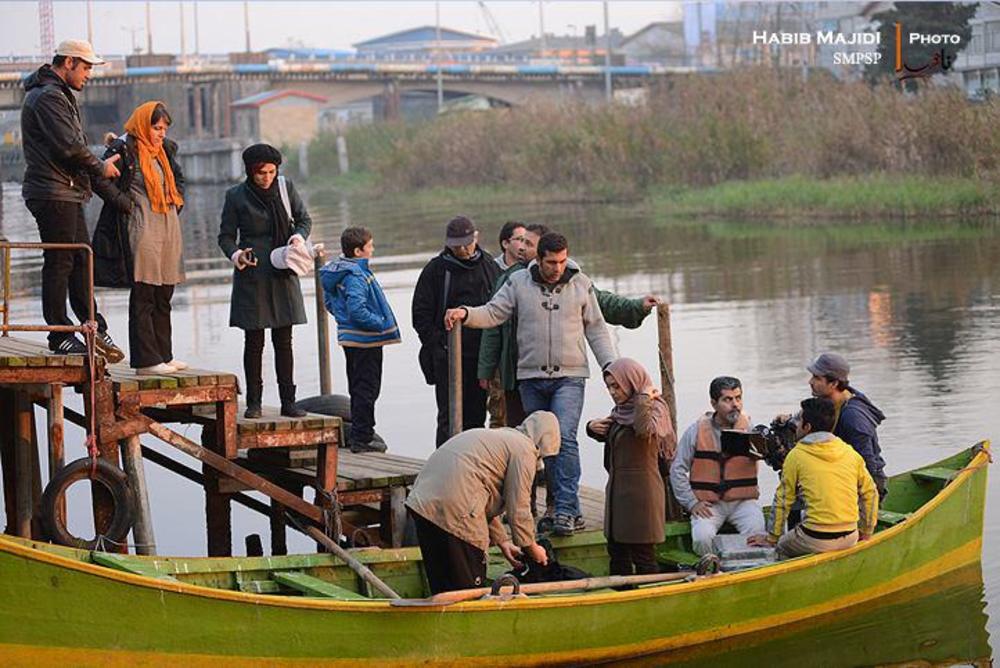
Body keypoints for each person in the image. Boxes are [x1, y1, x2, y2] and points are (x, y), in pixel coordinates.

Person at [444, 232, 618, 537]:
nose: (558, 268)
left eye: (563, 261)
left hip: (570, 376)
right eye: (551, 262)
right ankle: (543, 509)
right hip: (531, 378)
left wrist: (611, 368)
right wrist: (466, 313)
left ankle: (568, 510)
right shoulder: (518, 283)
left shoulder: (581, 284)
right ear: (539, 258)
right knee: (536, 446)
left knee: (563, 438)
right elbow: (493, 312)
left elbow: (597, 330)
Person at [20, 39, 124, 360]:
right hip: (53, 192)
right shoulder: (48, 98)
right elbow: (70, 148)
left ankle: (92, 327)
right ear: (68, 63)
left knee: (82, 260)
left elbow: (72, 148)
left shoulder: (56, 95)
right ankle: (59, 333)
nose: (90, 74)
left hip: (65, 191)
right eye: (86, 66)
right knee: (61, 261)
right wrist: (102, 168)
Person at [405, 411, 560, 594]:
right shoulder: (525, 449)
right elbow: (519, 509)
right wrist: (533, 548)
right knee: (468, 589)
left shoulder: (501, 437)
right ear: (545, 441)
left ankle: (442, 618)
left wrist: (503, 542)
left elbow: (480, 495)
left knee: (442, 586)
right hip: (456, 508)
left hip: (422, 503)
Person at [92, 101, 186, 375]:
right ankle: (146, 361)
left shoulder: (164, 150)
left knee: (164, 292)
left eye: (164, 128)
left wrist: (177, 202)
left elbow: (179, 179)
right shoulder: (124, 148)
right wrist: (125, 204)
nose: (160, 133)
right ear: (143, 125)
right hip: (141, 225)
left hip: (167, 224)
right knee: (144, 292)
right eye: (156, 128)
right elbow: (100, 179)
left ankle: (164, 355)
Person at [218, 144, 311, 419]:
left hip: (283, 266)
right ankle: (254, 403)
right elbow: (224, 236)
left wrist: (297, 238)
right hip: (253, 272)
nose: (267, 177)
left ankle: (289, 402)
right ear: (250, 171)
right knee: (254, 341)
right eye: (261, 173)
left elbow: (304, 220)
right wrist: (236, 254)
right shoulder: (235, 196)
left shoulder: (286, 188)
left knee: (284, 340)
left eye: (272, 171)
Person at [749, 397, 878, 558]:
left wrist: (772, 538)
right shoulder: (850, 452)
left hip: (815, 538)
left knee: (780, 546)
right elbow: (870, 493)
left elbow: (783, 500)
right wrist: (866, 532)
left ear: (807, 427)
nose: (795, 425)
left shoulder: (796, 455)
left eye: (799, 421)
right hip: (850, 536)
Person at [412, 216, 501, 446]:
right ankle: (445, 469)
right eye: (456, 245)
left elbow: (498, 309)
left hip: (480, 357)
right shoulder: (436, 270)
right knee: (448, 417)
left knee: (476, 417)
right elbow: (420, 315)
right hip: (448, 357)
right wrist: (439, 345)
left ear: (476, 238)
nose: (461, 249)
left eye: (466, 243)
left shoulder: (489, 266)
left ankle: (474, 469)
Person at [586, 358, 675, 577]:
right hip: (619, 494)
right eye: (609, 387)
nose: (613, 392)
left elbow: (644, 431)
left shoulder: (655, 408)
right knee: (617, 552)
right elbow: (616, 436)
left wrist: (644, 397)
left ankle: (652, 603)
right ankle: (622, 597)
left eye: (617, 386)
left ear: (632, 381)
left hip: (642, 495)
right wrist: (591, 428)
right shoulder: (621, 411)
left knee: (643, 554)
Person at [320, 227, 400, 452]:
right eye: (369, 246)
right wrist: (379, 323)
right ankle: (362, 439)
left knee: (357, 386)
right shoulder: (356, 275)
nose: (372, 249)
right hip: (366, 340)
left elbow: (330, 303)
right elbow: (357, 309)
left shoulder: (337, 271)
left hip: (350, 339)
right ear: (358, 251)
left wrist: (345, 322)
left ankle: (359, 434)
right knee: (368, 387)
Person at [669, 376, 765, 556]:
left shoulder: (750, 429)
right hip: (710, 504)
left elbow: (767, 458)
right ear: (714, 403)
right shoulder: (696, 430)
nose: (735, 404)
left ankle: (747, 571)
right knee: (702, 537)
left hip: (743, 502)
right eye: (727, 400)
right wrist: (691, 503)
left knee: (758, 532)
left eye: (738, 398)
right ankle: (712, 569)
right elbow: (677, 469)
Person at [806, 352, 887, 500]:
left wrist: (868, 500)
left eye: (817, 378)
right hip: (841, 477)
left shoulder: (853, 416)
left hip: (864, 484)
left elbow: (867, 463)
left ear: (834, 384)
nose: (810, 382)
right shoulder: (828, 403)